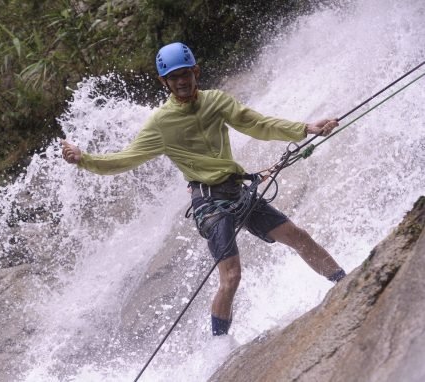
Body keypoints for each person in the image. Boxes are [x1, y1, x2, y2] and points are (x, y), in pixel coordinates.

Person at [62, 42, 346, 336]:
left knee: (298, 237)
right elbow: (125, 159)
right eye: (173, 77)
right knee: (232, 276)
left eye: (185, 73)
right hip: (209, 204)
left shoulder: (216, 101)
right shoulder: (161, 123)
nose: (181, 81)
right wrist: (84, 159)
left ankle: (343, 281)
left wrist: (306, 129)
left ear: (195, 71)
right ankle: (219, 344)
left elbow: (257, 124)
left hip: (237, 191)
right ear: (164, 82)